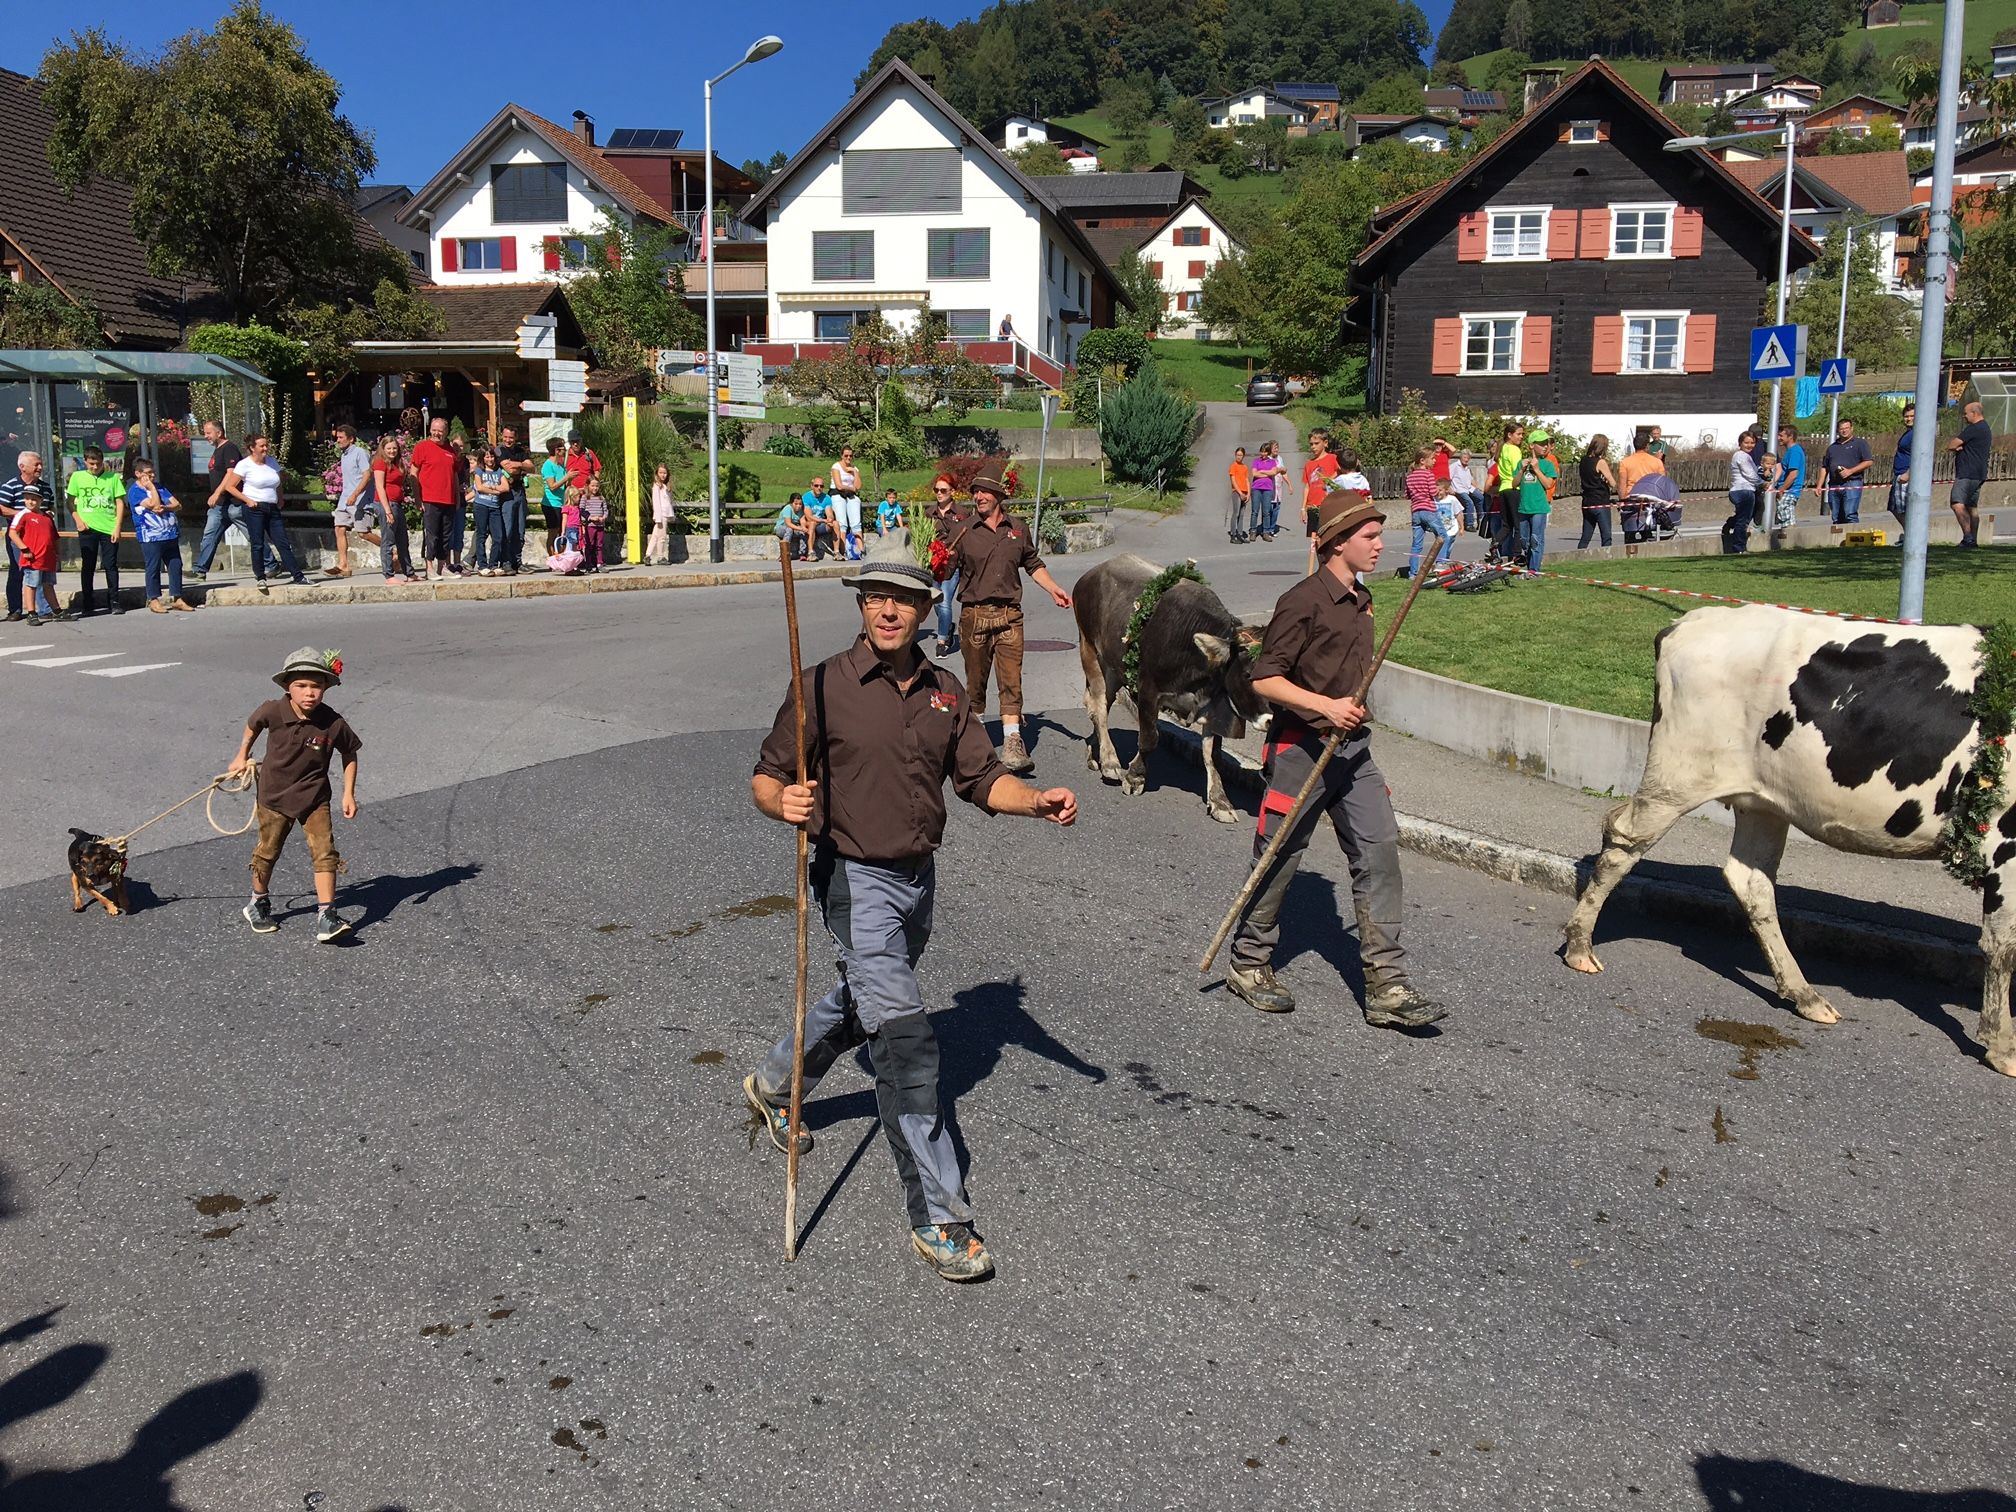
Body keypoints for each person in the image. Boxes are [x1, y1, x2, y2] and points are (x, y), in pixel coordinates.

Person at [741, 534, 1077, 1283]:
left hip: (918, 881)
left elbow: (981, 778)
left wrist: (1034, 801)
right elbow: (767, 775)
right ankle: (938, 1215)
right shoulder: (820, 686)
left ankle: (774, 1084)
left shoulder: (946, 692)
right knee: (907, 1045)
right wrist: (782, 801)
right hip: (854, 882)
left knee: (861, 1001)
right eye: (875, 597)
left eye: (903, 598)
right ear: (862, 606)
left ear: (928, 608)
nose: (888, 610)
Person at [1222, 491, 1445, 1030]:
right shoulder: (1303, 601)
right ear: (1339, 542)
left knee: (1379, 849)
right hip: (1300, 748)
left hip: (1352, 751)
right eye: (1370, 536)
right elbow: (1264, 679)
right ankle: (1248, 963)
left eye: (1379, 535)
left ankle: (1387, 986)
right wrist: (1327, 706)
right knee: (1280, 854)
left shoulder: (1362, 599)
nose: (1380, 544)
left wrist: (1348, 711)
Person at [230, 646, 360, 944]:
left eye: (316, 686)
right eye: (301, 685)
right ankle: (257, 902)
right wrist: (241, 755)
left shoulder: (332, 722)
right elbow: (252, 726)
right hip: (274, 796)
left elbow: (350, 753)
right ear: (287, 686)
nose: (309, 693)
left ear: (326, 687)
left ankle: (327, 915)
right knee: (268, 851)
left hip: (315, 798)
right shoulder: (273, 710)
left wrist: (348, 793)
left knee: (325, 853)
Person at [951, 472, 1073, 774]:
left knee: (1011, 681)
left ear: (999, 496)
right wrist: (937, 561)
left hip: (1009, 616)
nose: (978, 497)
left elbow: (1032, 563)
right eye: (975, 492)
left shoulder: (1017, 528)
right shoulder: (963, 530)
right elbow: (944, 569)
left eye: (985, 492)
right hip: (974, 616)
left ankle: (1012, 741)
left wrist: (1053, 588)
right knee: (976, 683)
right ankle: (975, 740)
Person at [218, 433, 307, 594]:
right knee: (258, 543)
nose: (266, 448)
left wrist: (280, 498)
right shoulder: (244, 465)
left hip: (272, 507)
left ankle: (298, 576)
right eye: (262, 446)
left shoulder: (271, 462)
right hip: (254, 508)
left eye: (266, 445)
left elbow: (278, 482)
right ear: (252, 448)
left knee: (282, 542)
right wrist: (247, 500)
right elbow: (230, 486)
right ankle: (260, 577)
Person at [67, 445, 127, 615]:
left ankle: (114, 601)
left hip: (108, 527)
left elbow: (119, 503)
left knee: (110, 564)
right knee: (88, 565)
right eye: (91, 463)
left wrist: (117, 527)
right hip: (87, 528)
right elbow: (70, 502)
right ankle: (88, 602)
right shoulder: (77, 477)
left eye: (98, 464)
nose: (95, 467)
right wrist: (78, 520)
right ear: (85, 461)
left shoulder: (112, 478)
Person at [128, 458, 195, 613]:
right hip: (151, 536)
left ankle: (177, 598)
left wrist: (167, 507)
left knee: (175, 564)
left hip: (169, 534)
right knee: (153, 567)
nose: (152, 475)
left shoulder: (161, 487)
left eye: (153, 472)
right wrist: (151, 488)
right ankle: (153, 599)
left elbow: (177, 504)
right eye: (148, 473)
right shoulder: (135, 491)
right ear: (138, 474)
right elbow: (154, 505)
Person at [1, 448, 54, 621]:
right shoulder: (11, 486)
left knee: (40, 570)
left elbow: (50, 507)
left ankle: (43, 609)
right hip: (19, 537)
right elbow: (1, 507)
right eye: (36, 464)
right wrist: (25, 516)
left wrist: (48, 515)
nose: (40, 468)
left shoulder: (45, 488)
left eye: (41, 464)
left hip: (40, 537)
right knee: (18, 571)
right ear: (22, 467)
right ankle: (15, 609)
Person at [188, 419, 242, 581]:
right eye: (205, 433)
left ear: (219, 433)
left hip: (233, 502)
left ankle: (270, 564)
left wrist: (217, 493)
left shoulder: (229, 448)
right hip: (220, 505)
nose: (206, 436)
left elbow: (231, 473)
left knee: (251, 533)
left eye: (208, 433)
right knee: (209, 535)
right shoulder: (217, 450)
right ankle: (200, 569)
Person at [8, 473, 66, 624]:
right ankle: (31, 613)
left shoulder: (47, 518)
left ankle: (57, 610)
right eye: (27, 498)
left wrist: (58, 553)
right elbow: (12, 533)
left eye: (34, 499)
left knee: (48, 584)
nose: (30, 502)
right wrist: (24, 549)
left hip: (47, 558)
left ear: (41, 500)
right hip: (32, 558)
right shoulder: (23, 515)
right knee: (31, 584)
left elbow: (54, 537)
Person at [408, 418, 460, 582]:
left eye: (440, 431)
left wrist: (457, 497)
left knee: (446, 535)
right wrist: (418, 498)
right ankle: (429, 568)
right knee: (432, 535)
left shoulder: (450, 450)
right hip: (430, 499)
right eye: (434, 430)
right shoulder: (422, 447)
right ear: (430, 429)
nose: (437, 433)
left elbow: (455, 475)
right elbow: (413, 473)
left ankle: (442, 566)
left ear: (446, 432)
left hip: (448, 499)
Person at [328, 424, 378, 579]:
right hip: (345, 499)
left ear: (351, 439)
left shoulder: (360, 453)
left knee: (364, 534)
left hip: (359, 500)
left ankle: (392, 550)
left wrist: (355, 494)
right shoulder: (344, 455)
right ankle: (343, 565)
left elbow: (367, 475)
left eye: (341, 438)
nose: (338, 440)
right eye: (337, 437)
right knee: (339, 528)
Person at [927, 473, 967, 653]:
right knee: (936, 601)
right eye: (936, 490)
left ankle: (942, 641)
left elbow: (968, 538)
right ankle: (948, 626)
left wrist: (956, 552)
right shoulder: (929, 513)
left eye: (943, 490)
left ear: (952, 491)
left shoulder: (962, 514)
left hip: (952, 565)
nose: (939, 493)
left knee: (944, 601)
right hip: (933, 565)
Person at [369, 437, 415, 583]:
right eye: (388, 448)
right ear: (383, 449)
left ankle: (409, 573)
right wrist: (387, 510)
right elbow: (379, 486)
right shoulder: (380, 462)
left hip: (397, 503)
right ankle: (389, 575)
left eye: (394, 448)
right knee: (388, 541)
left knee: (403, 540)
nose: (392, 451)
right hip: (386, 504)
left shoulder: (397, 463)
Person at [1951, 399, 1992, 548]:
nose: (1964, 416)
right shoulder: (1985, 428)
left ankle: (1968, 537)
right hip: (1979, 473)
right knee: (1971, 507)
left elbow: (1953, 444)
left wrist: (1958, 447)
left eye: (1966, 413)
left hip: (1967, 473)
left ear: (1974, 413)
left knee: (1957, 503)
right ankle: (1973, 540)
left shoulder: (1974, 428)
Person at [1403, 446, 1448, 575]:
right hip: (1428, 510)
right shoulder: (1428, 474)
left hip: (1416, 512)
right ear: (1422, 460)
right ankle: (1440, 563)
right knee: (1442, 536)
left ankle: (1413, 573)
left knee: (1416, 544)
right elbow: (1433, 492)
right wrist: (1438, 491)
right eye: (1432, 458)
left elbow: (1407, 495)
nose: (1434, 461)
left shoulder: (1410, 476)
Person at [1517, 432, 1557, 571]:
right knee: (1524, 540)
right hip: (1524, 507)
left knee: (1536, 539)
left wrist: (1537, 469)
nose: (1545, 446)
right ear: (1532, 445)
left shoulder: (1548, 465)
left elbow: (1548, 484)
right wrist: (1522, 470)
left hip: (1539, 508)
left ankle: (1534, 570)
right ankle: (1529, 567)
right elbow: (1514, 483)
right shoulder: (1522, 463)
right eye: (1541, 444)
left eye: (1546, 443)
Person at [1822, 417, 1873, 528]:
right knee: (1836, 516)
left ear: (1851, 428)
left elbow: (1868, 461)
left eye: (1847, 428)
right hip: (1834, 485)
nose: (1844, 431)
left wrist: (1850, 471)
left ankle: (1852, 536)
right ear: (1838, 430)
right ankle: (1839, 538)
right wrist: (1818, 485)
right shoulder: (1832, 448)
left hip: (1852, 483)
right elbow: (1825, 467)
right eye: (1841, 429)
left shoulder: (1860, 444)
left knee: (1850, 514)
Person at [495, 424, 531, 574]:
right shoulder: (499, 450)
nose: (508, 440)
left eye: (511, 437)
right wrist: (522, 466)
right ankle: (506, 562)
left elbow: (532, 467)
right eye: (505, 437)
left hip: (520, 491)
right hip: (507, 494)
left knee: (520, 530)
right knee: (507, 529)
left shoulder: (521, 451)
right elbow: (508, 469)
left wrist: (518, 464)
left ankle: (517, 561)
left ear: (515, 438)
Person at [471, 446, 510, 576]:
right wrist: (496, 490)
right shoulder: (479, 471)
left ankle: (493, 564)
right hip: (481, 505)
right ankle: (482, 565)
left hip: (494, 507)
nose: (490, 459)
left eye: (492, 456)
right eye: (487, 456)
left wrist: (491, 487)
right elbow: (480, 488)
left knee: (498, 536)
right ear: (483, 458)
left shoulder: (498, 471)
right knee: (481, 535)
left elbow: (506, 487)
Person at [1724, 430, 1760, 554]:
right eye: (1746, 442)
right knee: (1743, 521)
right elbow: (1749, 474)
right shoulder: (1741, 456)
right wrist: (1762, 483)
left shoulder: (1747, 457)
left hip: (1747, 490)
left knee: (1744, 516)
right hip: (1743, 491)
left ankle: (1729, 524)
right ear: (1740, 443)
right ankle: (1739, 548)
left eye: (1752, 443)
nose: (1749, 445)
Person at [1494, 423, 1525, 562]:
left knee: (1507, 524)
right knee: (1518, 524)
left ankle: (1495, 544)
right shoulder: (1514, 450)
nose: (1521, 437)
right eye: (1519, 434)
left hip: (1503, 489)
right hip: (1514, 488)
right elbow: (1517, 470)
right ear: (1509, 435)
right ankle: (1517, 554)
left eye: (1522, 434)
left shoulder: (1502, 449)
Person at [1579, 434, 1617, 550]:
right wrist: (1606, 481)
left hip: (1587, 501)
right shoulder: (1600, 462)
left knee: (1586, 536)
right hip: (1600, 501)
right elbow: (1612, 482)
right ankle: (1606, 556)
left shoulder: (1583, 461)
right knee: (1606, 536)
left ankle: (1579, 554)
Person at [1301, 431, 1340, 543]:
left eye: (1316, 443)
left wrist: (1328, 480)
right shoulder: (1309, 464)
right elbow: (1307, 486)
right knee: (1314, 539)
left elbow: (1340, 471)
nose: (1313, 447)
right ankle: (1316, 554)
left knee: (1328, 537)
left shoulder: (1332, 458)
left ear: (1325, 443)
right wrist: (1303, 508)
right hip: (1313, 506)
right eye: (1311, 444)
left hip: (1328, 504)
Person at [830, 444, 865, 560]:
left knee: (856, 523)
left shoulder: (854, 468)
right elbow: (839, 486)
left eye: (850, 456)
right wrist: (851, 488)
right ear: (842, 456)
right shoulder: (836, 467)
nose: (848, 458)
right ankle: (843, 550)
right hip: (838, 494)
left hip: (850, 496)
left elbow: (858, 486)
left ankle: (861, 550)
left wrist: (854, 472)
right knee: (842, 523)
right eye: (846, 455)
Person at [1772, 424, 1806, 534]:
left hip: (1790, 491)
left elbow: (1793, 474)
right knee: (1783, 519)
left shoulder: (1794, 452)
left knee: (1787, 522)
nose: (1778, 438)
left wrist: (1782, 489)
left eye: (1781, 436)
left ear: (1790, 436)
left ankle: (1789, 540)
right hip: (1787, 490)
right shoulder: (1790, 451)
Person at [1889, 402, 1916, 526]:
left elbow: (1919, 455)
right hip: (1899, 474)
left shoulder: (1917, 434)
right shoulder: (1908, 433)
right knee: (1895, 507)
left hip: (1906, 475)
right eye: (1906, 416)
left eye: (1912, 416)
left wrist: (1908, 474)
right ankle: (1909, 533)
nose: (1908, 419)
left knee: (1904, 509)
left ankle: (1912, 534)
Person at [1249, 441, 1282, 539]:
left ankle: (1266, 532)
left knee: (1266, 512)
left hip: (1267, 489)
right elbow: (1254, 473)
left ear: (1268, 452)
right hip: (1256, 488)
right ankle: (1253, 531)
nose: (1263, 454)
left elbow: (1273, 472)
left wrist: (1262, 471)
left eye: (1265, 452)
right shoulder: (1256, 461)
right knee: (1255, 511)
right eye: (1262, 451)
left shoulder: (1272, 462)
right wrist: (1267, 474)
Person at [647, 463, 675, 564]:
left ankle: (648, 555)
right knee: (662, 537)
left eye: (665, 473)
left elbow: (669, 502)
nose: (663, 475)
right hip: (661, 515)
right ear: (657, 473)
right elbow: (656, 503)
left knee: (655, 536)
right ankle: (660, 557)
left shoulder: (665, 486)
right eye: (661, 473)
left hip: (666, 514)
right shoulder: (657, 486)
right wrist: (658, 518)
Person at [1449, 448, 1482, 533]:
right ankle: (1469, 524)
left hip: (1468, 488)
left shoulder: (1467, 468)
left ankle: (1481, 519)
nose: (1466, 460)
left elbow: (1471, 480)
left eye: (1468, 458)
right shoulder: (1454, 466)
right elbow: (1448, 478)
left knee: (1480, 497)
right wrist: (1449, 488)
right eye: (1465, 457)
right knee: (1469, 502)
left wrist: (1478, 488)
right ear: (1461, 457)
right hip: (1459, 489)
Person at [579, 475, 609, 571]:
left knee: (599, 544)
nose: (595, 488)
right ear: (588, 486)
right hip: (590, 525)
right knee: (590, 544)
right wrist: (590, 518)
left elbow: (605, 510)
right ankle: (589, 563)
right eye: (592, 486)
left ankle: (599, 563)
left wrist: (604, 517)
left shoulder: (601, 498)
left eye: (597, 486)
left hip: (600, 525)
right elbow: (581, 510)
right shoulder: (585, 497)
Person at [1228, 446, 1252, 544]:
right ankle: (1233, 535)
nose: (1239, 457)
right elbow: (1233, 481)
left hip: (1244, 492)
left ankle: (1240, 533)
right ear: (1235, 455)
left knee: (1242, 514)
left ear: (1243, 456)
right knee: (1236, 513)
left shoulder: (1245, 467)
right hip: (1237, 492)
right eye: (1237, 455)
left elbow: (1247, 480)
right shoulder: (1233, 466)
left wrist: (1248, 493)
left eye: (1241, 455)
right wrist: (1240, 493)